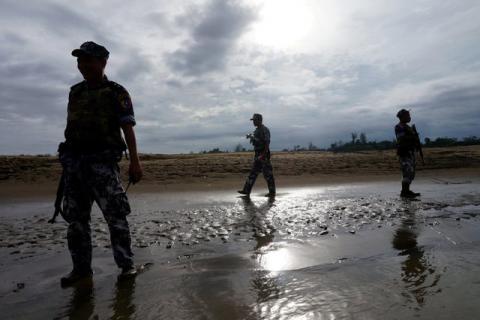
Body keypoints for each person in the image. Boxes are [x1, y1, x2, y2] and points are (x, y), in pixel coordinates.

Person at [59, 41, 143, 287]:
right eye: (79, 60)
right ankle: (81, 270)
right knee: (76, 221)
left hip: (103, 164)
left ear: (103, 62)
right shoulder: (75, 92)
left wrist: (136, 163)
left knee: (116, 217)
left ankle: (126, 266)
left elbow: (128, 129)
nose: (82, 65)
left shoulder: (117, 92)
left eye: (88, 60)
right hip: (75, 166)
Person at [238, 113, 276, 197]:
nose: (253, 122)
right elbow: (257, 142)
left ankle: (272, 192)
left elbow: (267, 143)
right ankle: (246, 191)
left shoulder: (264, 129)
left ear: (259, 120)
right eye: (253, 120)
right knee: (253, 173)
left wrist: (263, 154)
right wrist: (251, 137)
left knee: (268, 174)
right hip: (257, 154)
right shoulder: (256, 130)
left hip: (263, 154)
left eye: (254, 120)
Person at [395, 109, 421, 198]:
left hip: (411, 152)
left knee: (411, 173)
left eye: (409, 115)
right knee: (407, 172)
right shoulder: (399, 127)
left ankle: (407, 191)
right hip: (404, 152)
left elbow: (412, 139)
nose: (409, 117)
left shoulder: (408, 127)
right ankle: (404, 192)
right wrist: (413, 136)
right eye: (407, 116)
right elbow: (401, 139)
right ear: (402, 117)